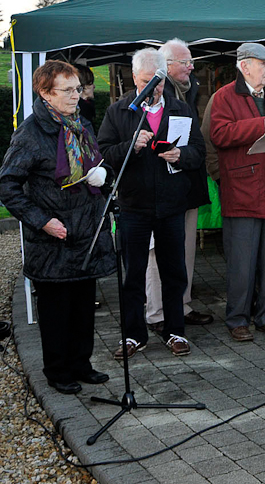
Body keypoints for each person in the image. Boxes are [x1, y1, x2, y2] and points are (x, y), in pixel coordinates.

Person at [0, 60, 115, 394]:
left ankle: (82, 364)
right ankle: (57, 371)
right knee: (56, 311)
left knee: (83, 305)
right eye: (67, 90)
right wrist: (42, 221)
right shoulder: (31, 133)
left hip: (86, 233)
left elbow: (93, 164)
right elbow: (7, 185)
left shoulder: (81, 125)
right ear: (45, 93)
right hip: (53, 240)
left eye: (78, 89)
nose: (76, 96)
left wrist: (101, 178)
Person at [98, 48, 205, 359]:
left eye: (157, 81)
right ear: (134, 78)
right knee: (133, 273)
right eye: (146, 81)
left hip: (172, 204)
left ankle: (175, 331)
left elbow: (198, 150)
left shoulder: (181, 108)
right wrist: (130, 146)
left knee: (174, 272)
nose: (152, 88)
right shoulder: (119, 111)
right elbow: (104, 153)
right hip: (133, 206)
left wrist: (181, 156)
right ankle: (133, 335)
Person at [210, 43, 265, 342]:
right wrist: (260, 124)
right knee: (242, 263)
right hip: (242, 190)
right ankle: (237, 319)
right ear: (244, 66)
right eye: (264, 64)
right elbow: (219, 135)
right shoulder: (224, 96)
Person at [141, 38, 212, 335]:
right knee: (158, 254)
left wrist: (184, 156)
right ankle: (156, 313)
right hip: (159, 191)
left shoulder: (187, 92)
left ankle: (181, 305)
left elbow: (196, 144)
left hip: (185, 185)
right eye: (185, 62)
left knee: (185, 251)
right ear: (166, 66)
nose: (191, 67)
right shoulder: (152, 96)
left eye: (191, 61)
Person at [73, 63, 97, 128]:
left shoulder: (87, 107)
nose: (94, 86)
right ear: (83, 86)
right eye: (90, 83)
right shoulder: (80, 110)